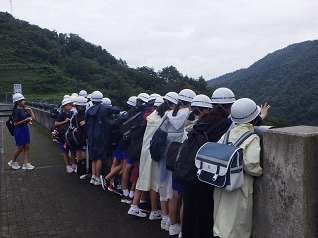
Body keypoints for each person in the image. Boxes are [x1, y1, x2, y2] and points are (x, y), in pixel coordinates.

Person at [213, 98, 263, 238]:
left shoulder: (227, 134)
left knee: (221, 219)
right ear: (254, 118)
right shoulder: (252, 137)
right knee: (236, 224)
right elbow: (251, 165)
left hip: (222, 181)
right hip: (239, 185)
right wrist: (261, 172)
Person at [127, 93, 178, 219]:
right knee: (154, 182)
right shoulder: (164, 118)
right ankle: (154, 211)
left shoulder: (152, 116)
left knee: (143, 178)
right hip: (154, 153)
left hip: (145, 151)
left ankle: (134, 206)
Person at [159, 89, 196, 236]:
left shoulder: (168, 114)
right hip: (182, 159)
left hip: (166, 156)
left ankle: (169, 223)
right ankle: (182, 230)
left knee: (170, 192)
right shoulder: (189, 115)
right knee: (182, 196)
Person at [86, 91, 120, 185]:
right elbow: (117, 109)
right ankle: (97, 177)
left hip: (91, 135)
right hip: (101, 135)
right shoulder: (104, 108)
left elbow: (87, 124)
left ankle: (93, 176)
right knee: (100, 157)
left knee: (93, 157)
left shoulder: (89, 110)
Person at [8, 93, 35, 170]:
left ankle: (26, 164)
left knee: (26, 146)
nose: (24, 101)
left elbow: (33, 118)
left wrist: (30, 110)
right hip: (19, 130)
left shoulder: (23, 109)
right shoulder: (16, 111)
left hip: (25, 128)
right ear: (18, 102)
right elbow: (15, 123)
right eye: (22, 100)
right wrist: (26, 120)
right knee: (20, 148)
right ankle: (12, 162)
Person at [54, 98, 76, 173]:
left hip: (70, 135)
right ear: (64, 106)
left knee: (73, 150)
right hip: (63, 136)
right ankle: (67, 166)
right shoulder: (61, 114)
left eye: (69, 105)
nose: (68, 107)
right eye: (67, 105)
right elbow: (56, 124)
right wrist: (65, 121)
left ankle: (73, 164)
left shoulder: (72, 113)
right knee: (65, 151)